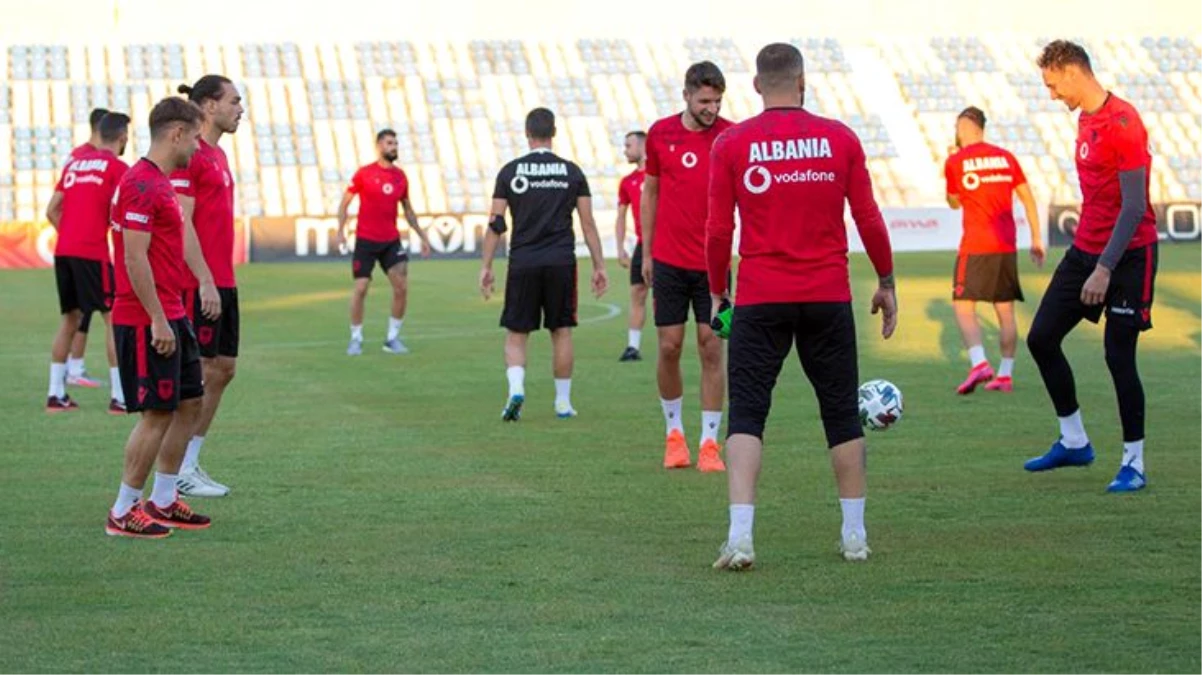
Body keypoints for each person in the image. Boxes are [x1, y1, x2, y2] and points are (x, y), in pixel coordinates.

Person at [706, 43, 897, 570]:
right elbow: (868, 218)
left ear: (755, 85)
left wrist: (718, 290)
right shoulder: (839, 138)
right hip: (827, 295)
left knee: (746, 415)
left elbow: (719, 227)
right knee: (841, 415)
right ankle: (854, 536)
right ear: (803, 81)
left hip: (762, 297)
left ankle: (741, 537)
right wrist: (885, 280)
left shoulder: (732, 143)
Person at [1023, 40, 1159, 493]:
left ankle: (1134, 464)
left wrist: (1104, 267)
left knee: (1118, 357)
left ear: (1072, 72)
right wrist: (1091, 260)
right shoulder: (1084, 119)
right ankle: (1074, 440)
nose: (1051, 94)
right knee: (1041, 338)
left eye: (1052, 84)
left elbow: (1135, 205)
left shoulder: (1124, 122)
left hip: (1128, 256)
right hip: (1086, 251)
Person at [105, 97, 221, 538]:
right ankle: (122, 510)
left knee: (189, 402)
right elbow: (133, 259)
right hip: (146, 316)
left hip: (173, 309)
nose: (197, 147)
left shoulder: (160, 182)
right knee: (155, 413)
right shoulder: (140, 184)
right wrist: (156, 318)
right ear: (176, 134)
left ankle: (165, 498)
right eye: (194, 137)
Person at [479, 107, 608, 420]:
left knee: (516, 332)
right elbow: (588, 223)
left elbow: (496, 222)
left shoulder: (510, 172)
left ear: (527, 133)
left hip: (523, 261)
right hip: (561, 261)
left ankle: (516, 390)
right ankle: (562, 402)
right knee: (561, 331)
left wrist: (486, 266)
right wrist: (599, 265)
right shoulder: (572, 172)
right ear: (553, 133)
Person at [641, 61, 734, 472]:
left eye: (716, 101)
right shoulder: (661, 134)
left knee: (712, 346)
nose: (711, 108)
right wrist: (646, 252)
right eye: (704, 101)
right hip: (669, 261)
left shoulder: (731, 135)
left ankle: (710, 443)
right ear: (686, 95)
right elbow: (652, 193)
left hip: (714, 265)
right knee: (669, 345)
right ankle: (674, 434)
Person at [172, 75, 244, 497]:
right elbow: (181, 222)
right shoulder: (193, 154)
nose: (241, 109)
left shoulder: (219, 155)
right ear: (209, 106)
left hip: (223, 279)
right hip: (201, 282)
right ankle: (176, 467)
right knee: (197, 376)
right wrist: (204, 280)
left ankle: (189, 462)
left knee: (224, 370)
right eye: (234, 101)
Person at [944, 106, 1045, 394]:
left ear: (965, 127)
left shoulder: (957, 161)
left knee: (963, 305)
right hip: (1005, 245)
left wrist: (952, 166)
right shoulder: (1006, 158)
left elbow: (953, 202)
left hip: (976, 244)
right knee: (1005, 311)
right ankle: (1005, 374)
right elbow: (1027, 197)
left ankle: (979, 363)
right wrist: (1037, 239)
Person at [44, 112, 131, 413]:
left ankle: (55, 394)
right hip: (92, 253)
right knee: (112, 317)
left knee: (70, 318)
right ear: (122, 138)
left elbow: (52, 209)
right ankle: (120, 396)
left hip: (64, 251)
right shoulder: (118, 168)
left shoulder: (73, 164)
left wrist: (70, 233)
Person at [336, 129, 433, 356]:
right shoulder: (364, 174)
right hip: (366, 240)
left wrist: (422, 235)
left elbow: (408, 210)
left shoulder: (401, 177)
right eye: (390, 143)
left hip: (391, 240)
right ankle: (356, 338)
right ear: (379, 145)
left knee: (401, 286)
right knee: (360, 288)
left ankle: (392, 338)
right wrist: (341, 230)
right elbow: (344, 203)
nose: (394, 147)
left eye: (396, 143)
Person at [63, 107, 111, 388]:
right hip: (86, 247)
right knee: (94, 311)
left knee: (82, 311)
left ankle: (73, 368)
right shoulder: (89, 159)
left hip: (75, 244)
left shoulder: (75, 157)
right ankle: (75, 368)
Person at [615, 130, 648, 362]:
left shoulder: (662, 175)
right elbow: (621, 216)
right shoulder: (627, 182)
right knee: (637, 293)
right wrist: (620, 248)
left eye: (629, 146)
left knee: (665, 296)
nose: (625, 151)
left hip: (666, 243)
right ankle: (632, 346)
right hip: (642, 244)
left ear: (643, 146)